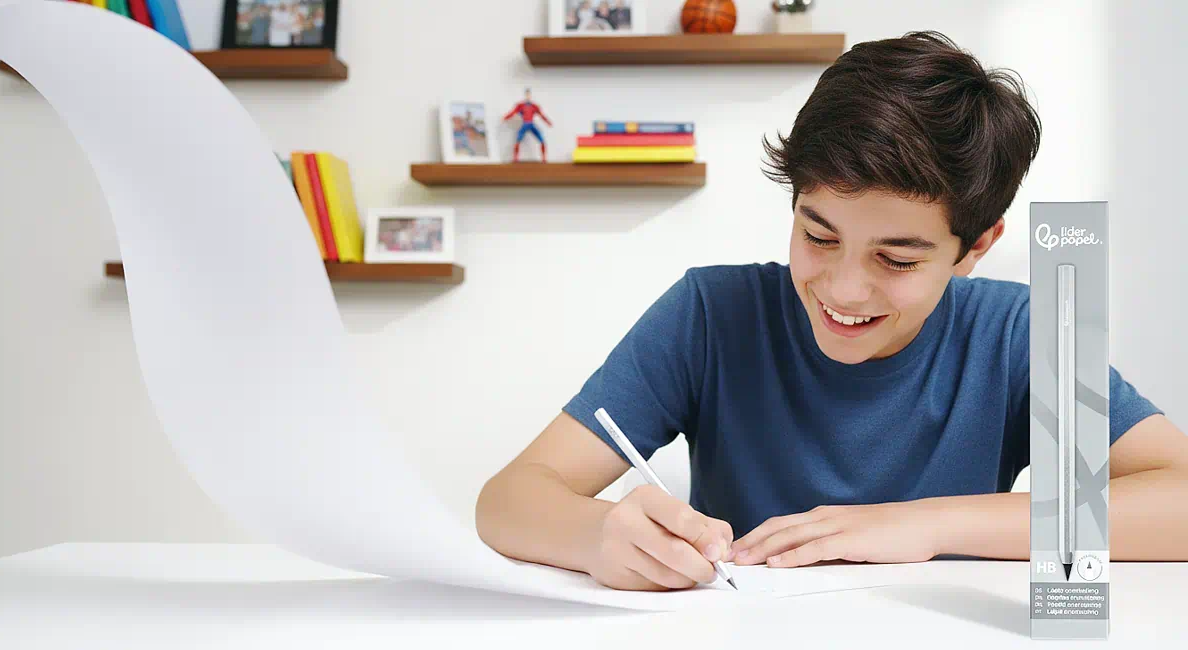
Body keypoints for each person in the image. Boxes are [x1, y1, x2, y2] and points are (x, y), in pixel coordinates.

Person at [475, 31, 1188, 591]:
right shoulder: (711, 315)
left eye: (898, 259)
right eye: (819, 236)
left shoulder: (1016, 331)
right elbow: (507, 500)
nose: (845, 289)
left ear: (975, 246)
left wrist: (925, 526)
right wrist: (595, 537)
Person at [502, 88, 552, 163]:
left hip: (531, 124)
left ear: (530, 95)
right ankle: (515, 158)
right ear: (525, 95)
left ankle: (544, 158)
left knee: (542, 141)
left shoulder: (534, 106)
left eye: (529, 94)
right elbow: (513, 112)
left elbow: (542, 115)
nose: (528, 96)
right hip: (525, 124)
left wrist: (548, 122)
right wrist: (506, 117)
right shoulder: (520, 105)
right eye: (527, 94)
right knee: (517, 141)